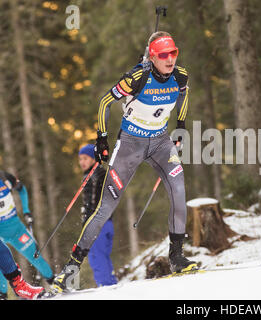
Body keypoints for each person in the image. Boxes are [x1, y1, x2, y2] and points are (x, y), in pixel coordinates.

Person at [51, 31, 196, 294]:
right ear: (153, 56)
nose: (170, 59)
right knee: (106, 206)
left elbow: (184, 96)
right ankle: (70, 269)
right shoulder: (138, 77)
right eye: (163, 54)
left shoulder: (180, 76)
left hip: (162, 143)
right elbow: (105, 101)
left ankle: (177, 256)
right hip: (131, 145)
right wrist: (102, 139)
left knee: (178, 188)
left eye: (173, 53)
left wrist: (181, 127)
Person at [0, 170, 54, 299]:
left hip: (15, 228)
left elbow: (22, 190)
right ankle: (2, 294)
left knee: (35, 256)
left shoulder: (4, 177)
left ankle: (55, 282)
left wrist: (26, 211)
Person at [78, 144, 117, 287]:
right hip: (106, 222)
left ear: (94, 159)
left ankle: (105, 285)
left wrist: (87, 219)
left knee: (96, 256)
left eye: (85, 158)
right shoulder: (93, 174)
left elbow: (95, 201)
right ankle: (110, 282)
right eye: (80, 159)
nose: (82, 162)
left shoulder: (96, 174)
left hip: (97, 223)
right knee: (102, 255)